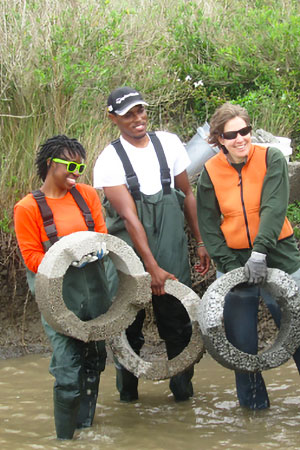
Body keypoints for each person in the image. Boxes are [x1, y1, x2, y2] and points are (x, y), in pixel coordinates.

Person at [93, 86, 210, 403]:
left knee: (179, 328)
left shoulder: (169, 143)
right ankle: (128, 398)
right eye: (128, 114)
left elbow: (187, 195)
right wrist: (151, 268)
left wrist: (200, 241)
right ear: (113, 118)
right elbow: (130, 218)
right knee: (128, 329)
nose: (137, 119)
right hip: (129, 258)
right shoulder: (109, 160)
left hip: (171, 251)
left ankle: (183, 398)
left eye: (140, 111)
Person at [197, 102, 300, 410]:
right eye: (232, 135)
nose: (241, 139)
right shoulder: (210, 171)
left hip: (279, 255)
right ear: (219, 140)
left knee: (297, 333)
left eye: (245, 131)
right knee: (241, 347)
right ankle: (254, 415)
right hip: (234, 261)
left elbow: (273, 208)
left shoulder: (272, 158)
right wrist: (230, 267)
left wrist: (259, 253)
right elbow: (207, 223)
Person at [14, 135, 111, 439]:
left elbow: (103, 235)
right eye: (70, 165)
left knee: (96, 360)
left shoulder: (87, 195)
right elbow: (31, 258)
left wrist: (99, 250)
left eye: (80, 166)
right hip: (58, 300)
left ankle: (85, 428)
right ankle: (64, 440)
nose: (76, 172)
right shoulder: (27, 208)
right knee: (68, 372)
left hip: (97, 295)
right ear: (49, 164)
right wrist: (69, 259)